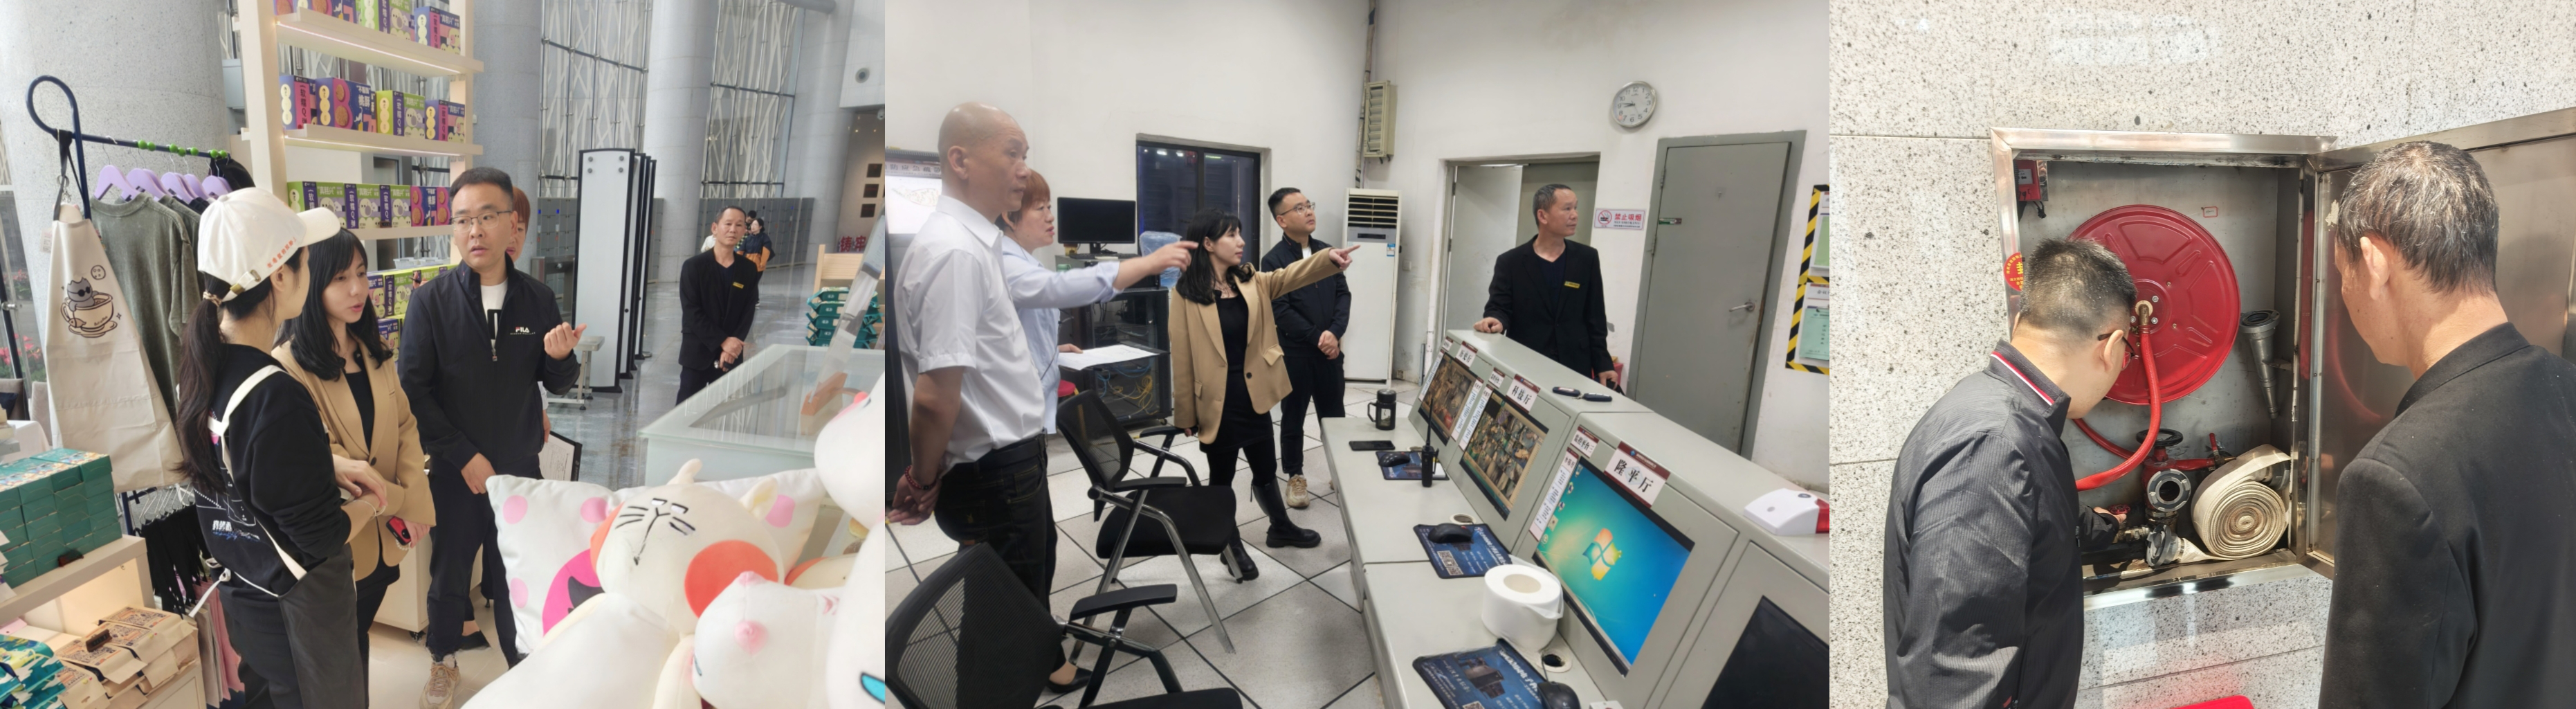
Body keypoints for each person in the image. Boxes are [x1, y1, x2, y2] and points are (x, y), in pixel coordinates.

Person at [2317, 141, 2576, 708]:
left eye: (2341, 273)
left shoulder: (2396, 478)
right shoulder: (2566, 387)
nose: (2345, 294)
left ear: (2374, 264)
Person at [886, 102, 1090, 692]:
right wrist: (923, 477)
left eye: (1025, 155)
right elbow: (935, 395)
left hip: (1009, 461)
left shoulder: (975, 244)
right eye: (1012, 153)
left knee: (1016, 598)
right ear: (961, 160)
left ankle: (1037, 667)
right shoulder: (954, 250)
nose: (1024, 169)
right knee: (1003, 626)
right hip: (995, 472)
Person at [1882, 238, 2130, 709]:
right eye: (2128, 353)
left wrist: (2098, 526)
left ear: (2020, 323)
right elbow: (1955, 676)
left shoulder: (1997, 411)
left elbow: (2024, 522)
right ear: (2113, 346)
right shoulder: (1994, 442)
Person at [176, 186, 385, 709]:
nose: (309, 270)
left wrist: (324, 463)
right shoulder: (275, 394)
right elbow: (321, 537)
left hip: (248, 593)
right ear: (279, 276)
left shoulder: (201, 370)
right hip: (300, 615)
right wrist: (372, 503)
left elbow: (240, 466)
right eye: (307, 260)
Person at [401, 167, 586, 708]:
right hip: (455, 471)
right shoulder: (431, 302)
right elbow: (415, 391)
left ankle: (523, 668)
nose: (475, 231)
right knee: (449, 573)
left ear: (512, 224)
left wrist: (562, 359)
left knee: (515, 575)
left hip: (519, 470)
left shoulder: (538, 300)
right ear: (454, 229)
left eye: (487, 217)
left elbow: (555, 382)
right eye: (463, 220)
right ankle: (443, 660)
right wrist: (462, 456)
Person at [273, 230, 437, 667]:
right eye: (341, 278)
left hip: (387, 539)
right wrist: (403, 502)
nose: (358, 289)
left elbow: (405, 426)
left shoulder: (373, 350)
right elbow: (330, 457)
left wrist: (416, 502)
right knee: (339, 655)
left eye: (362, 274)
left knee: (356, 642)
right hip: (343, 541)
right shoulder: (289, 366)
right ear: (311, 284)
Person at [1168, 208, 1358, 579]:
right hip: (1218, 400)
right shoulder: (1186, 294)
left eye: (1240, 233)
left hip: (1254, 393)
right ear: (1208, 244)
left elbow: (1290, 275)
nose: (1241, 241)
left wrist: (1328, 259)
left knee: (1265, 467)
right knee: (1222, 476)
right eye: (1231, 235)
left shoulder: (1250, 280)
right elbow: (1182, 356)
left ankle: (1280, 527)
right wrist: (1185, 413)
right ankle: (1229, 544)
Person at [995, 168, 1195, 436]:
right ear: (1009, 216)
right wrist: (1147, 264)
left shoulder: (1024, 263)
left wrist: (1053, 349)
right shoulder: (1006, 263)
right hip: (1014, 421)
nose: (1050, 216)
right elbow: (1058, 288)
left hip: (1029, 414)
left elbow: (1014, 331)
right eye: (1040, 208)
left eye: (1049, 207)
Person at [1473, 184, 1618, 388]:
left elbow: (1595, 317)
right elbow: (1499, 307)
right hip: (1526, 363)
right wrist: (1495, 320)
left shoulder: (1587, 258)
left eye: (1575, 208)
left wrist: (1603, 363)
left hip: (1575, 364)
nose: (1575, 215)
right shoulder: (1511, 262)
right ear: (1543, 216)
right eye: (1567, 209)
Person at [1259, 188, 1350, 509]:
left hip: (1330, 352)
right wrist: (1317, 337)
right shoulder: (1273, 260)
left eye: (1308, 205)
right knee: (1293, 418)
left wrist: (1334, 334)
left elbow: (1343, 295)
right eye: (1299, 208)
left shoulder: (1327, 252)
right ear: (1282, 220)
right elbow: (1280, 309)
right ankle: (1295, 475)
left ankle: (1340, 472)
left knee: (1335, 417)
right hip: (1296, 353)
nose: (1309, 212)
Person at [679, 206, 759, 403]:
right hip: (697, 353)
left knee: (722, 412)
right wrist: (724, 341)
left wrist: (732, 347)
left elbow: (748, 311)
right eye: (728, 224)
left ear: (744, 231)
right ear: (715, 228)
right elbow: (692, 312)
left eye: (739, 225)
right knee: (686, 411)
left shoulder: (748, 269)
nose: (733, 229)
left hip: (730, 356)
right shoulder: (694, 266)